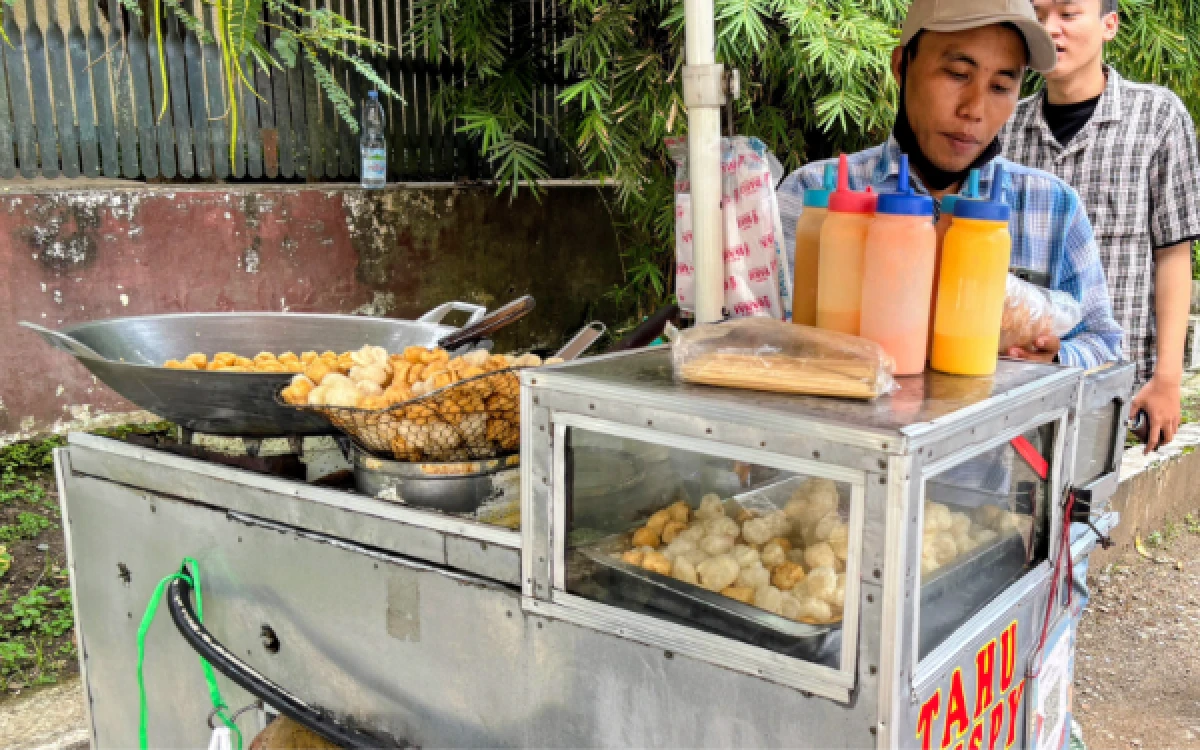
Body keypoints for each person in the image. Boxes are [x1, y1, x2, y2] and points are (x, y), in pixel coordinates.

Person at [778, 0, 1124, 371]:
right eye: (958, 74)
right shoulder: (812, 201)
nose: (974, 108)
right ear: (901, 66)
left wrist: (1053, 356)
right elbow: (757, 341)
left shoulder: (1053, 206)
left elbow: (1104, 345)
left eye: (1001, 86)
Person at [1001, 0, 1200, 454]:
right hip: (1017, 377)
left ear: (1109, 25)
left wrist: (1167, 379)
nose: (1052, 30)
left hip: (1114, 381)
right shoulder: (1004, 124)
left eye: (1068, 15)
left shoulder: (1158, 118)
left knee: (1098, 514)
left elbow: (1173, 253)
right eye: (1040, 14)